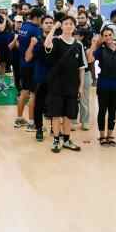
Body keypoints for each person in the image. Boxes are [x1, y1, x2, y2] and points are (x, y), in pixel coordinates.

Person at [43, 17, 85, 153]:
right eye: (66, 24)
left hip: (72, 85)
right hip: (56, 85)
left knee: (68, 115)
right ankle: (56, 140)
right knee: (56, 114)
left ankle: (66, 140)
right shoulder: (56, 40)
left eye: (71, 24)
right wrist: (54, 27)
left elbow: (81, 68)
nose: (68, 26)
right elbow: (46, 44)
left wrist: (81, 86)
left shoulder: (78, 45)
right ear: (62, 26)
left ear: (74, 27)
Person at [87, 28, 116, 147]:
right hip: (103, 83)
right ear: (102, 37)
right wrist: (94, 44)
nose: (108, 37)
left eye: (110, 35)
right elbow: (90, 59)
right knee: (102, 110)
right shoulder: (101, 50)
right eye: (105, 35)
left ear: (113, 35)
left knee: (113, 111)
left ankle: (110, 135)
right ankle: (102, 136)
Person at [15, 8, 42, 129]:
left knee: (24, 92)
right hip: (32, 65)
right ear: (37, 17)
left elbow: (18, 44)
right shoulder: (35, 30)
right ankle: (32, 123)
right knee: (33, 94)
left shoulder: (23, 27)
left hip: (22, 64)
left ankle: (19, 119)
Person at [30, 15, 55, 141]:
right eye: (46, 23)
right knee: (39, 105)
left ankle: (54, 127)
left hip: (54, 77)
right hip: (40, 77)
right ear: (41, 25)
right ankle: (39, 129)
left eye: (51, 22)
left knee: (54, 104)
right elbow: (33, 56)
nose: (49, 25)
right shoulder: (37, 39)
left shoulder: (57, 40)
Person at [75, 11, 95, 130]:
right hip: (73, 74)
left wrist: (92, 47)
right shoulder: (72, 45)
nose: (74, 36)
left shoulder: (87, 46)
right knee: (73, 98)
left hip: (86, 74)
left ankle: (85, 121)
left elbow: (90, 60)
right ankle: (73, 120)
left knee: (84, 99)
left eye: (76, 35)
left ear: (82, 37)